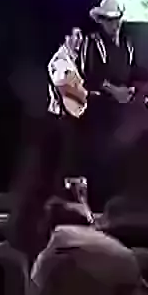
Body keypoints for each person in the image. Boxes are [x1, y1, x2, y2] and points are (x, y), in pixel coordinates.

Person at [80, 0, 137, 208]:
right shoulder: (92, 42)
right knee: (99, 160)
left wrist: (131, 90)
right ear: (101, 21)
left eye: (116, 19)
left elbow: (134, 71)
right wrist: (114, 91)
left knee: (119, 160)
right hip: (100, 112)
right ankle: (97, 207)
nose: (113, 24)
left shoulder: (128, 44)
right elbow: (88, 74)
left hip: (122, 114)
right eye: (109, 20)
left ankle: (116, 205)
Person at [45, 26, 85, 191]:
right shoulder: (60, 60)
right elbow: (62, 85)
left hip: (71, 119)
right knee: (64, 163)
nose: (80, 39)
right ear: (66, 37)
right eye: (77, 35)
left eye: (81, 35)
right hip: (62, 119)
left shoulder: (72, 60)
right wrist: (83, 93)